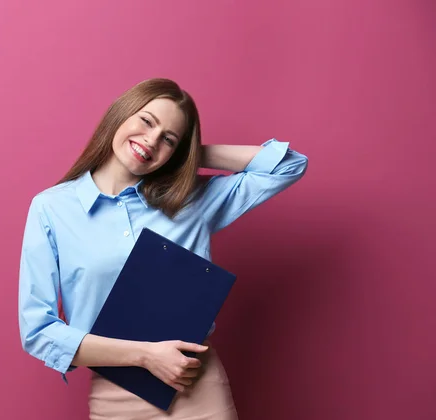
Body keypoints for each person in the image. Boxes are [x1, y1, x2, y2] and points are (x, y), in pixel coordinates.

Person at [18, 78, 308, 419]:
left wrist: (186, 155)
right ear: (120, 115)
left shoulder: (191, 200)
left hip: (196, 386)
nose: (151, 140)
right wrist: (145, 355)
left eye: (168, 138)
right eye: (146, 121)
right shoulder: (51, 209)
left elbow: (289, 164)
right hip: (117, 397)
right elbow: (38, 332)